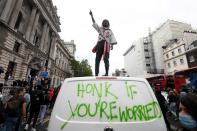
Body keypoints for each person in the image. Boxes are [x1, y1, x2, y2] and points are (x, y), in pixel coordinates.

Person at [89, 10, 117, 76]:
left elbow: (112, 38)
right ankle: (96, 73)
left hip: (106, 45)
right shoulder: (100, 29)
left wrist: (112, 45)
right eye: (104, 22)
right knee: (97, 59)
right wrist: (91, 15)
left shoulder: (110, 31)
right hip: (99, 44)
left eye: (106, 22)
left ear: (108, 24)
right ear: (102, 23)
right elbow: (94, 22)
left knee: (106, 59)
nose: (105, 23)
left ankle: (106, 73)